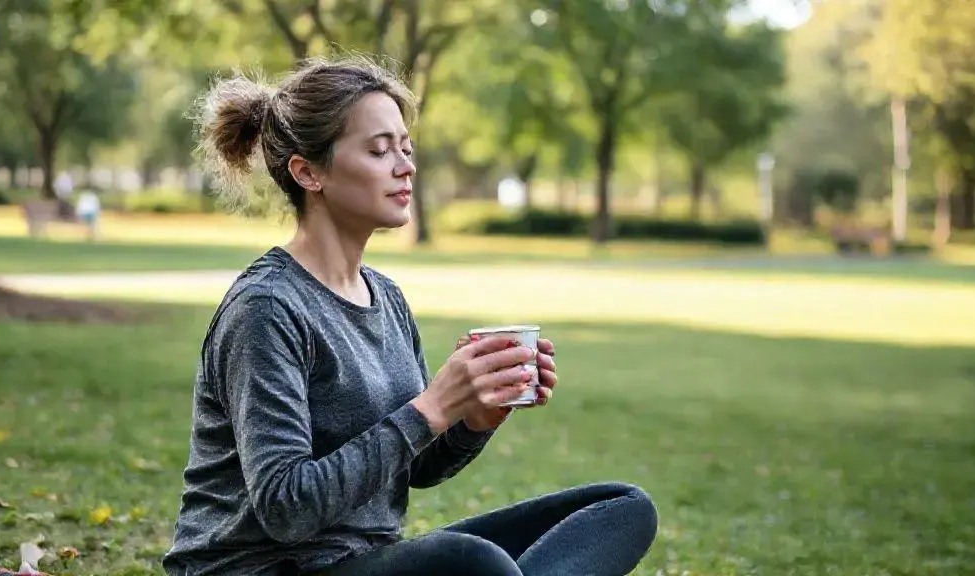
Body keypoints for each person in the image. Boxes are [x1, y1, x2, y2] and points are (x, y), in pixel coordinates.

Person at [162, 56, 658, 576]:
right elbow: (286, 507)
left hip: (362, 562)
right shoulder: (267, 308)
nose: (405, 166)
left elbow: (415, 467)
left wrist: (474, 418)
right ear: (309, 172)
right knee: (468, 562)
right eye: (379, 150)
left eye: (406, 147)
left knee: (621, 510)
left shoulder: (386, 297)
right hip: (260, 567)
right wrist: (431, 408)